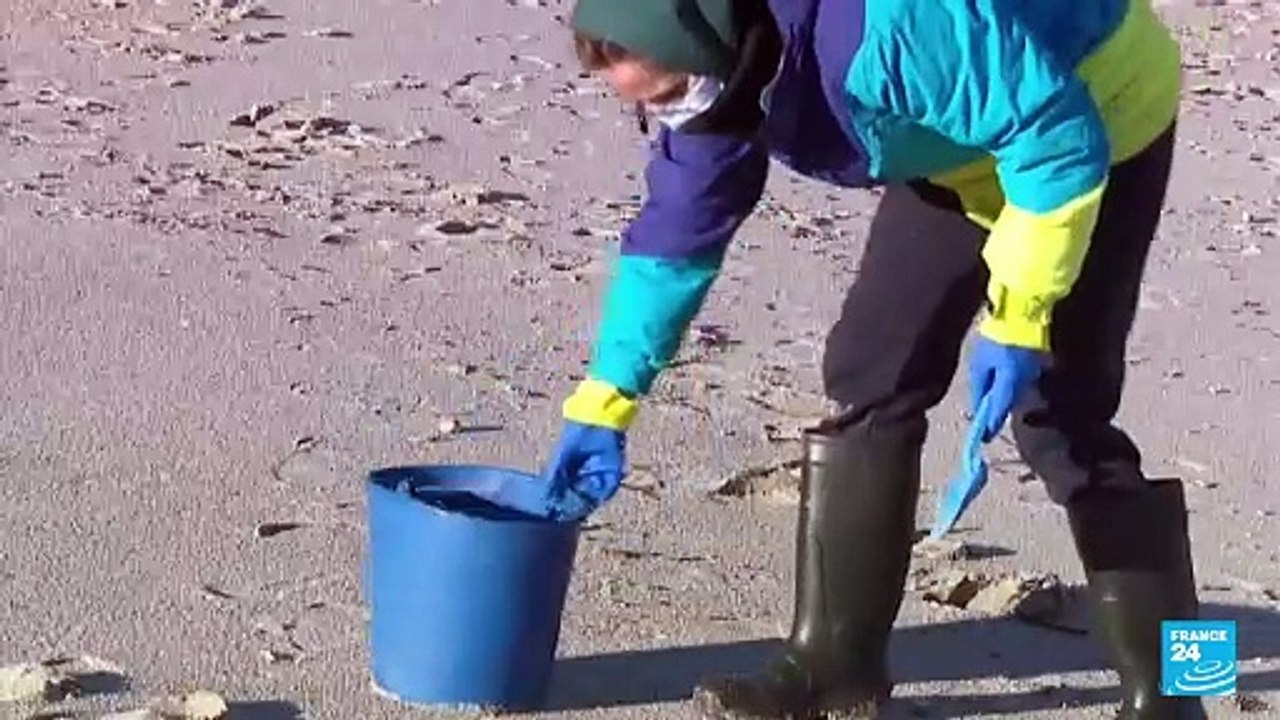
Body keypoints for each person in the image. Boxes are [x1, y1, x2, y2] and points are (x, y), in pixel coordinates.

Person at [541, 1, 1203, 718]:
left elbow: (1055, 137)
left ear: (712, 44)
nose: (668, 117)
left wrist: (1019, 316)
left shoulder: (887, 34)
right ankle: (835, 669)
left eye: (670, 94)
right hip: (958, 143)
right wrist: (606, 399)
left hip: (1095, 121)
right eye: (646, 108)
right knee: (870, 373)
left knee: (1063, 417)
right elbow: (675, 239)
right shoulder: (720, 88)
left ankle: (1187, 689)